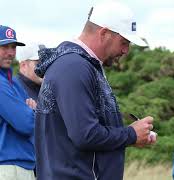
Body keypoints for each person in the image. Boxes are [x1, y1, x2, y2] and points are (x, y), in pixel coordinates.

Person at [34, 1, 156, 180]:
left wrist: (131, 135)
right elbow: (85, 135)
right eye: (124, 42)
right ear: (104, 33)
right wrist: (131, 134)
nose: (126, 50)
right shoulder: (74, 67)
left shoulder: (81, 65)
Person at [0, 25, 36, 180]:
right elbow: (26, 123)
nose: (10, 53)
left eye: (13, 47)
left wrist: (31, 112)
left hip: (21, 165)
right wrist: (33, 111)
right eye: (4, 47)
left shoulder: (12, 82)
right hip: (7, 166)